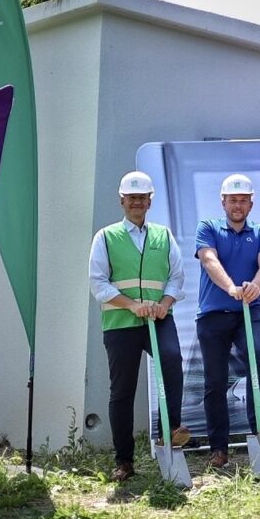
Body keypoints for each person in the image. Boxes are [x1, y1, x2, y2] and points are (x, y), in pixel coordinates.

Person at [88, 170, 188, 482]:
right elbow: (98, 283)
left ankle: (169, 430)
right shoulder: (105, 237)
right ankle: (124, 460)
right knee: (123, 391)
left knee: (171, 358)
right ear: (121, 201)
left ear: (149, 201)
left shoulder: (163, 236)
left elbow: (176, 277)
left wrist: (165, 304)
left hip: (158, 319)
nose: (136, 202)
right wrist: (132, 305)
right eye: (131, 197)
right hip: (120, 323)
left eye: (142, 197)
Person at [195, 173, 260, 468]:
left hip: (250, 310)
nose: (238, 205)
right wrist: (230, 287)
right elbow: (209, 260)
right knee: (215, 381)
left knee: (258, 359)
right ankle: (219, 448)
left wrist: (256, 285)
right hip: (213, 314)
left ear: (251, 204)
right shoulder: (208, 227)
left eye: (243, 200)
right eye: (233, 200)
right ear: (223, 202)